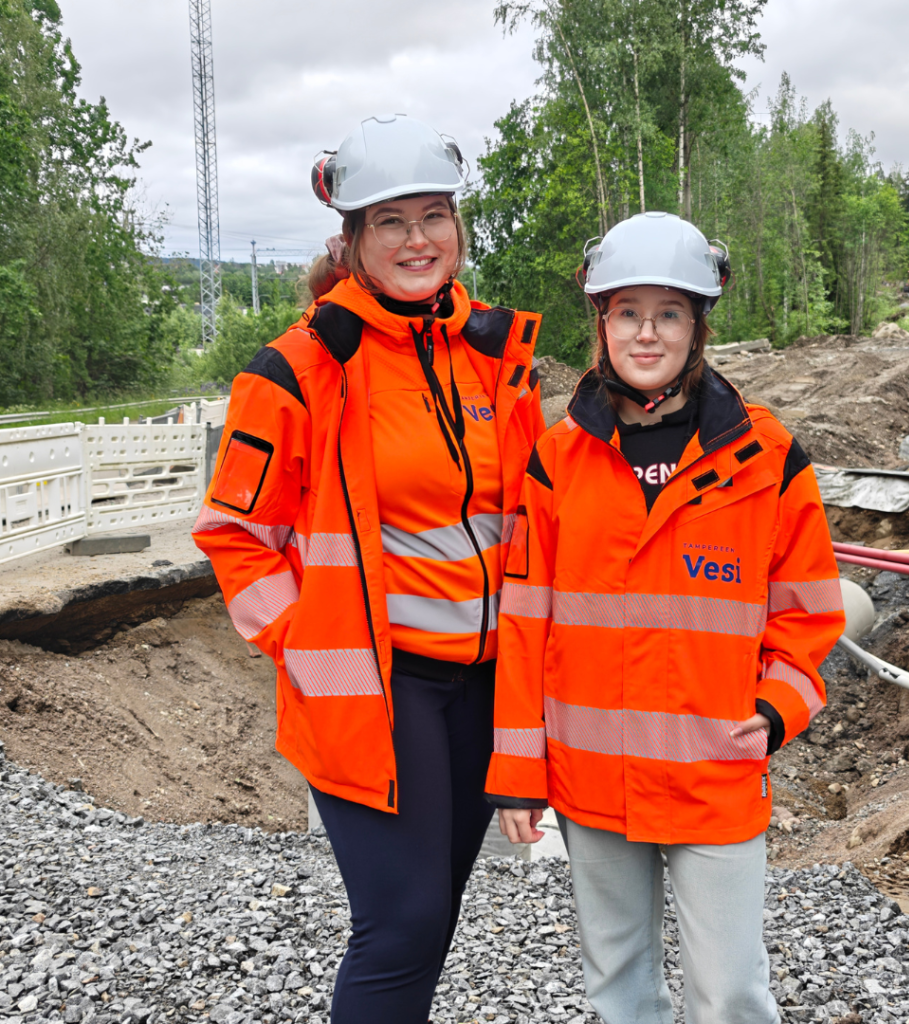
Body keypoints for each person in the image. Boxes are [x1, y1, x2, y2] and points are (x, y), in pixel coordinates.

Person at [193, 113, 547, 1024]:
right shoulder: (300, 370)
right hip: (373, 688)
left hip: (484, 686)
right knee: (401, 921)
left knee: (431, 923)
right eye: (390, 220)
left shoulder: (494, 357)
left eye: (434, 214)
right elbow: (235, 533)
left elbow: (534, 517)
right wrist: (309, 648)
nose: (417, 239)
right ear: (351, 240)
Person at [485, 212, 844, 1024]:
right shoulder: (557, 459)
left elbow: (810, 613)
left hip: (713, 772)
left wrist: (774, 709)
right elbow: (525, 623)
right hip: (590, 776)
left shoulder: (766, 458)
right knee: (618, 984)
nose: (646, 334)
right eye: (627, 313)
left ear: (698, 325)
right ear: (602, 322)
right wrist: (516, 770)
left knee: (730, 996)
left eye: (669, 313)